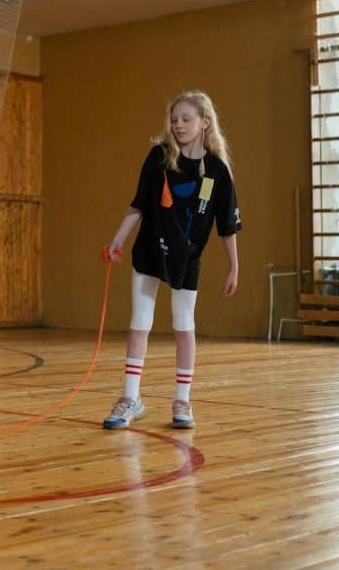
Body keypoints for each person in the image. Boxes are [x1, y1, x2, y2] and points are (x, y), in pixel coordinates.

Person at [102, 90, 241, 430]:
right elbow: (138, 203)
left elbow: (227, 226)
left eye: (186, 119)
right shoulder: (158, 158)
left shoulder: (217, 173)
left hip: (187, 258)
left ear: (204, 123)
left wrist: (234, 266)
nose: (178, 125)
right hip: (149, 252)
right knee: (140, 324)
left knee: (183, 326)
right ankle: (130, 399)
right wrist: (118, 239)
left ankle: (182, 400)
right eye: (174, 119)